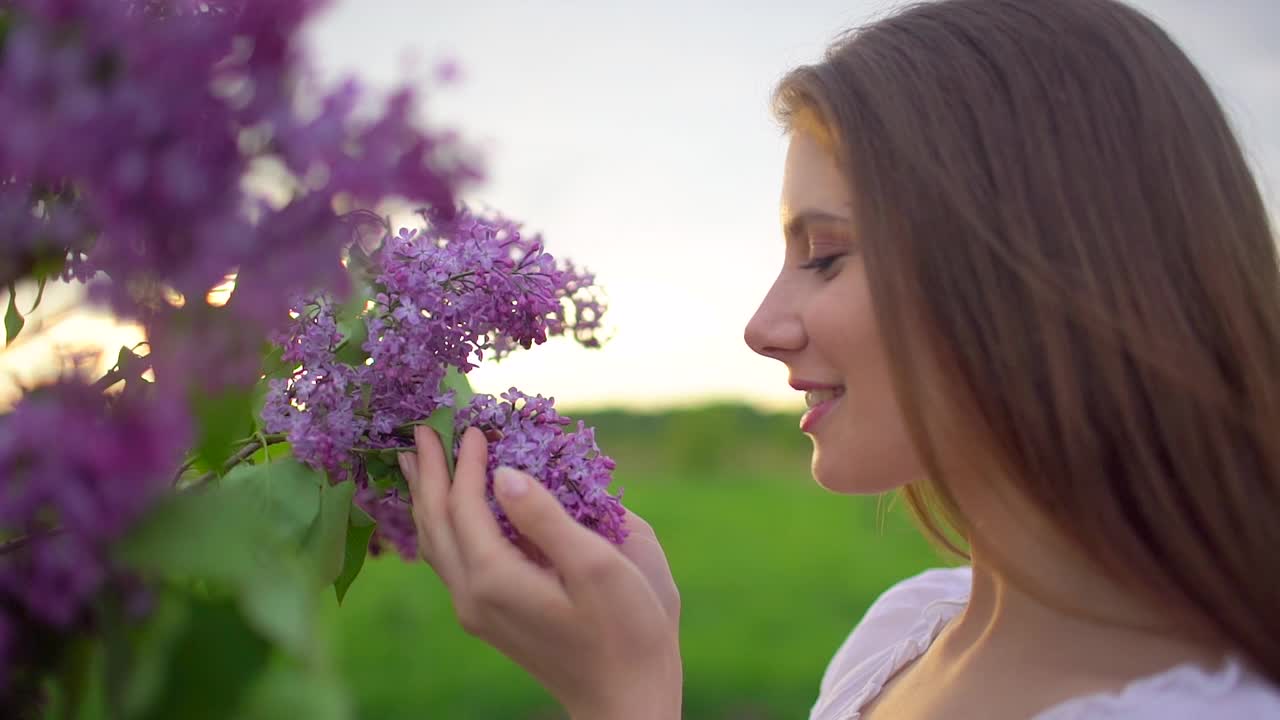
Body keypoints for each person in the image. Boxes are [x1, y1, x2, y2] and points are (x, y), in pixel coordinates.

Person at [396, 0, 1280, 717]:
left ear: (1037, 266)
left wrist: (621, 698)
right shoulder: (903, 636)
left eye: (825, 254)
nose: (763, 325)